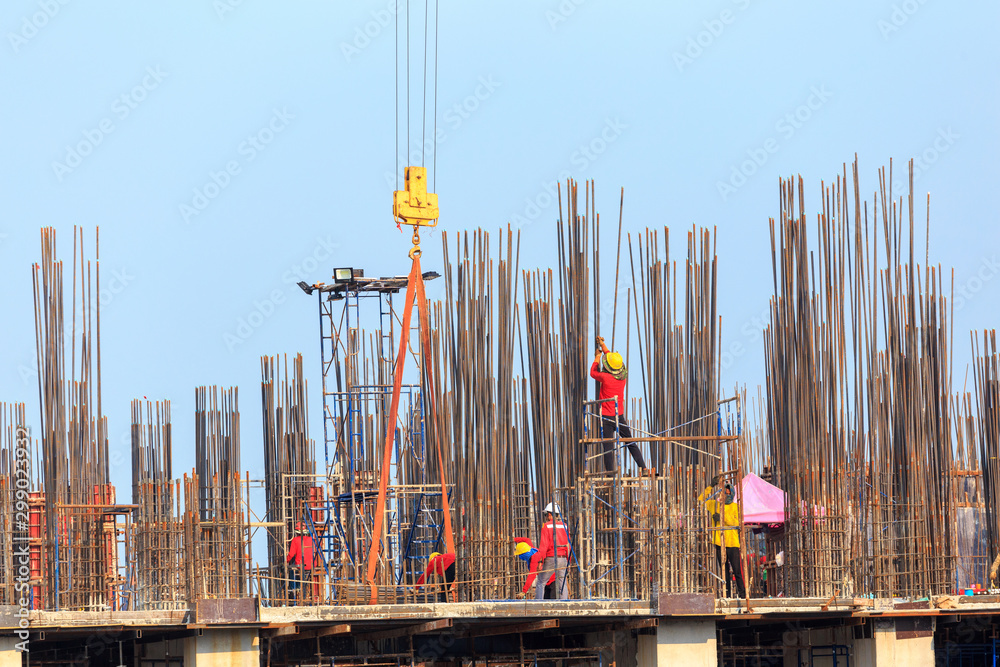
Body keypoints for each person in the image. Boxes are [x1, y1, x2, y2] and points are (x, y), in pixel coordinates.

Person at [590, 335, 649, 473]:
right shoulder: (623, 376)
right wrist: (603, 345)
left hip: (606, 417)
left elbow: (593, 373)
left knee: (608, 448)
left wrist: (597, 357)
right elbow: (611, 359)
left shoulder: (605, 377)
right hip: (619, 416)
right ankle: (643, 467)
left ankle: (611, 474)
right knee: (630, 442)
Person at [698, 476, 746, 598]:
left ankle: (742, 594)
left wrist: (722, 518)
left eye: (729, 493)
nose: (726, 494)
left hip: (733, 543)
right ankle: (727, 594)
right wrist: (710, 486)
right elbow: (700, 500)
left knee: (737, 571)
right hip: (720, 542)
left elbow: (737, 523)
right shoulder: (715, 505)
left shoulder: (736, 507)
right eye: (725, 492)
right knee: (724, 572)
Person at [522, 503, 571, 600]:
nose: (546, 517)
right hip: (563, 558)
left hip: (551, 558)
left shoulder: (547, 526)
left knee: (541, 582)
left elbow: (544, 546)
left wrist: (541, 561)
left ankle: (538, 603)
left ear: (550, 514)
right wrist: (568, 561)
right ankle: (564, 603)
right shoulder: (565, 526)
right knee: (562, 581)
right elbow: (568, 545)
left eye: (546, 515)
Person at [286, 522, 315, 598]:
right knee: (302, 574)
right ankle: (303, 589)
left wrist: (285, 561)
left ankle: (294, 589)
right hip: (312, 565)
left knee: (292, 571)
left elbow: (291, 554)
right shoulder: (311, 539)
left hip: (301, 565)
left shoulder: (295, 540)